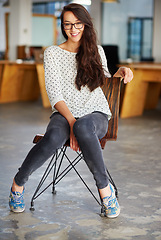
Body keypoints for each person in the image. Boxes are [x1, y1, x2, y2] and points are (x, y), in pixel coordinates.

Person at [9, 3, 133, 218]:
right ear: (62, 27)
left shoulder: (97, 50)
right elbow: (55, 95)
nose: (73, 29)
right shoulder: (53, 53)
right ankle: (17, 185)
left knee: (85, 126)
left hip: (96, 113)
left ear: (85, 25)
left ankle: (105, 192)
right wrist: (72, 123)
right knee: (55, 135)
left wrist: (120, 71)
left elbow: (103, 80)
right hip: (65, 113)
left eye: (78, 24)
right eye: (68, 25)